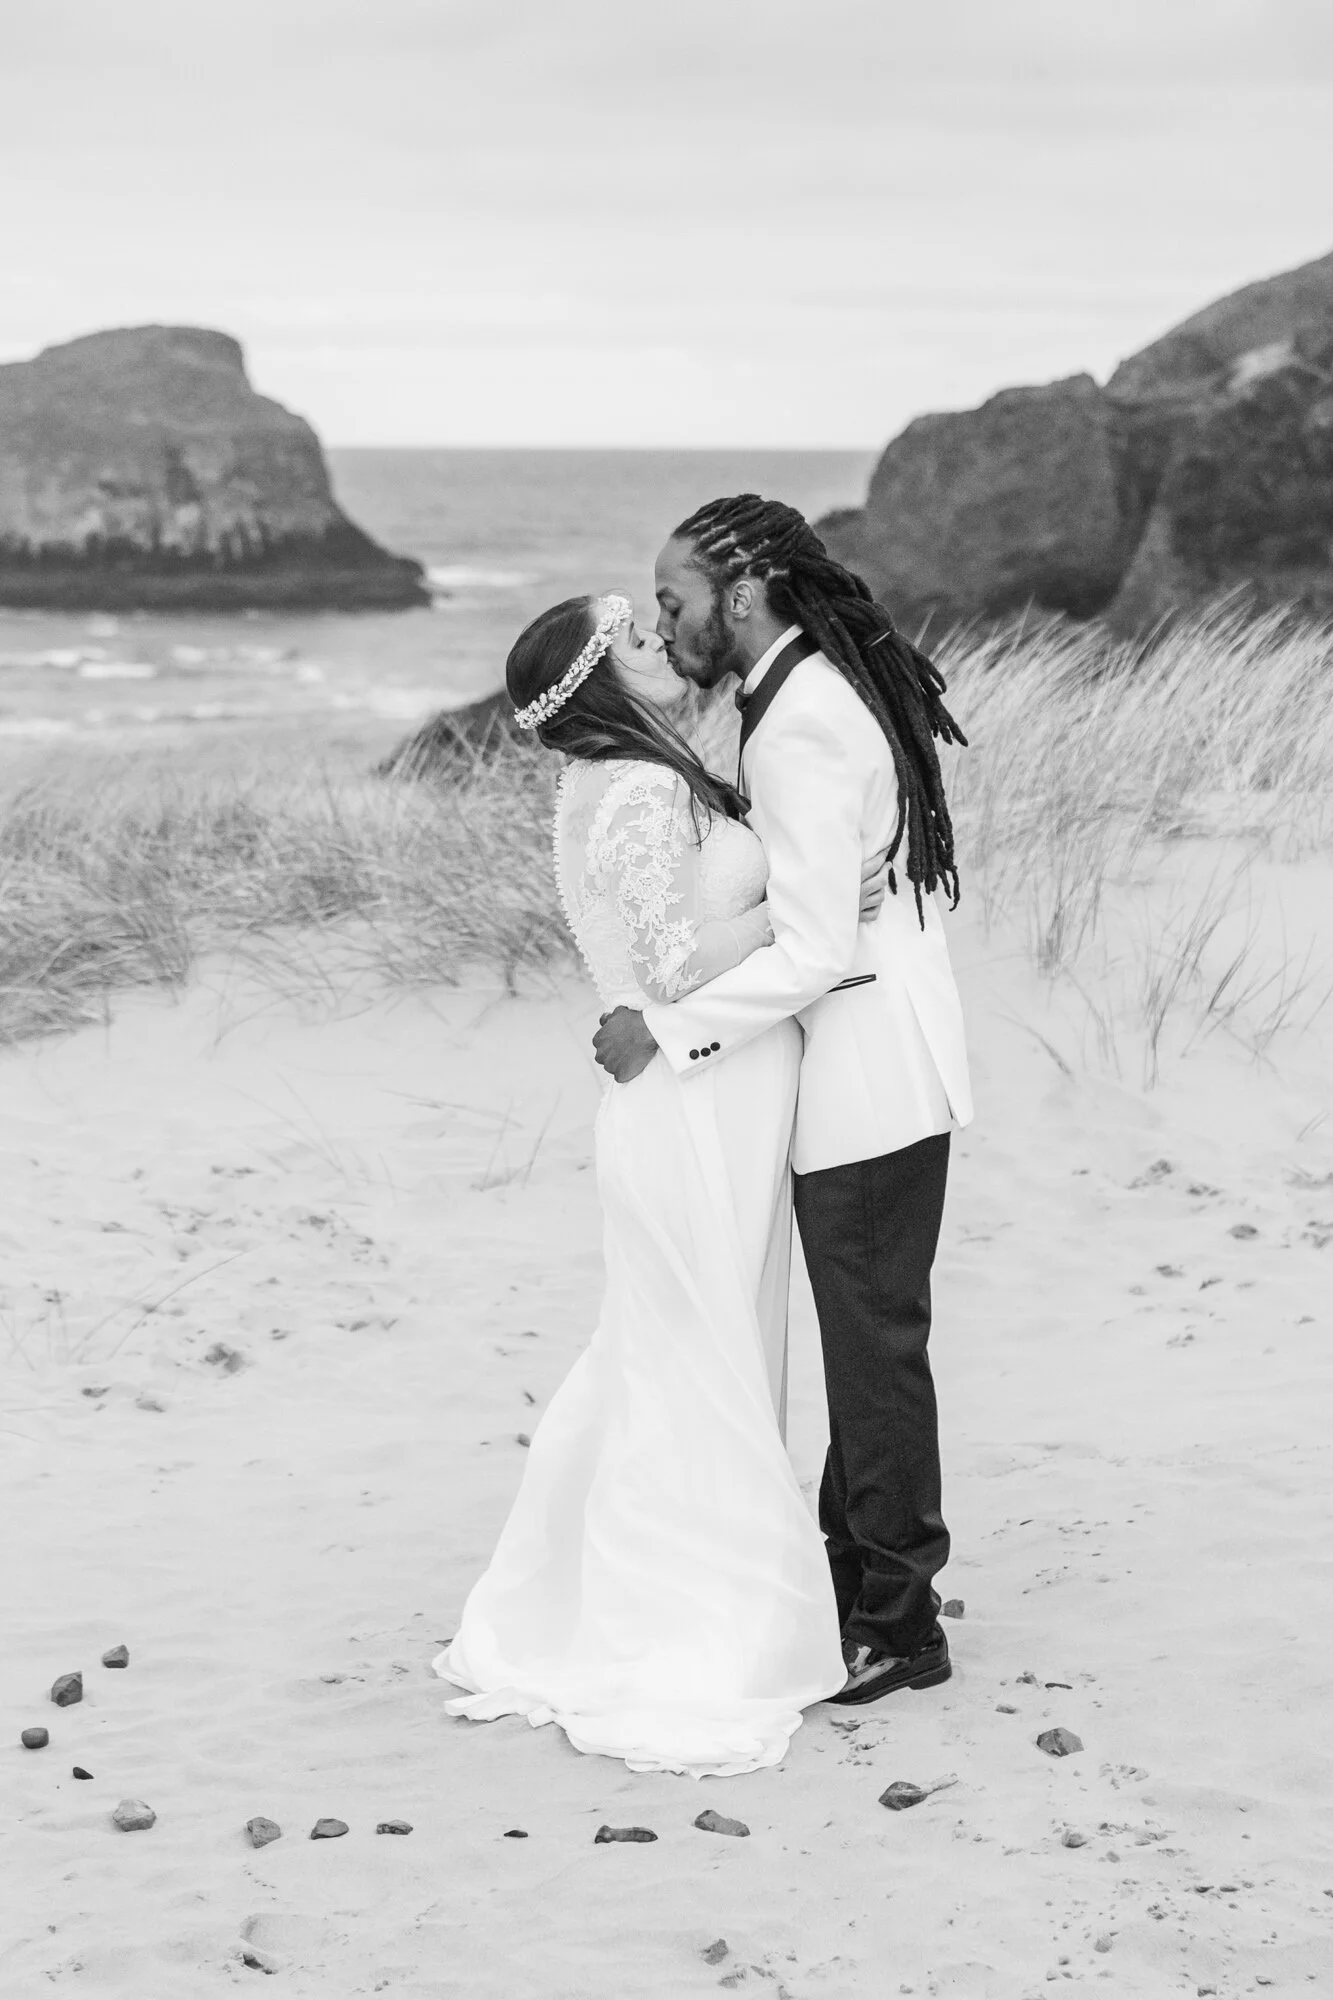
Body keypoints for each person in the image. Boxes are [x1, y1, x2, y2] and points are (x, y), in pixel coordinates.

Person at [435, 590, 888, 1776]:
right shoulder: (634, 789)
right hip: (694, 1105)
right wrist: (813, 909)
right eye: (632, 638)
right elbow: (677, 963)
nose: (658, 641)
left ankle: (627, 1595)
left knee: (681, 1348)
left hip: (709, 1100)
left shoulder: (643, 773)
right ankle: (687, 1628)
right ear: (598, 681)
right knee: (697, 1357)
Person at [593, 497, 972, 1706]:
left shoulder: (800, 720)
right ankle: (857, 1583)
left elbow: (814, 950)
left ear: (742, 594)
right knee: (870, 1339)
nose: (664, 620)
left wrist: (666, 1030)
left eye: (674, 600)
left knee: (871, 1352)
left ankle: (900, 1624)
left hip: (869, 1074)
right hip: (884, 1058)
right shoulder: (794, 699)